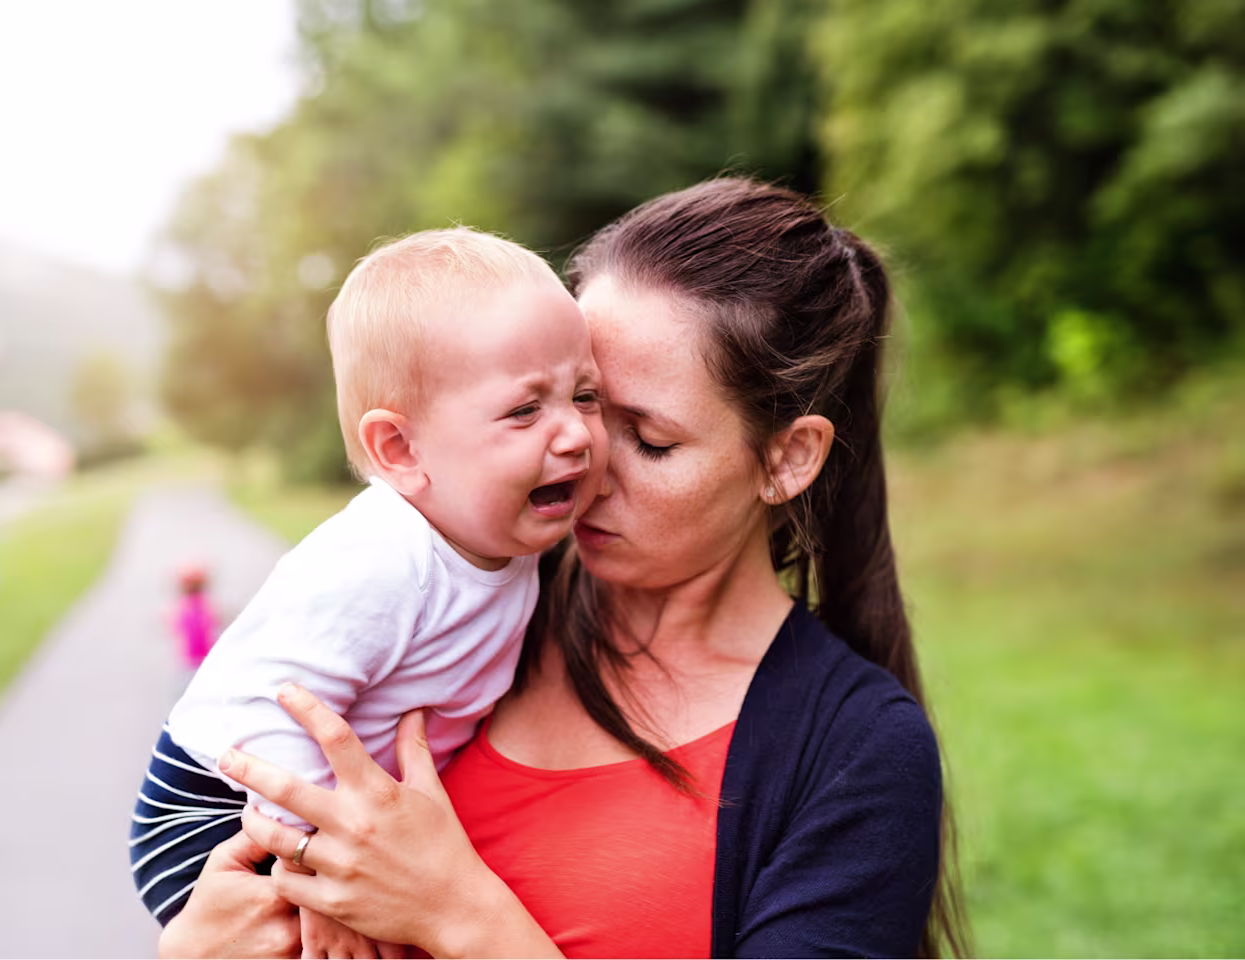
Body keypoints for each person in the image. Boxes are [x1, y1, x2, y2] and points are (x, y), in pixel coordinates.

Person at [148, 178, 969, 958]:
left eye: (650, 439)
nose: (584, 456)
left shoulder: (858, 753)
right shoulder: (474, 602)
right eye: (582, 402)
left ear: (788, 459)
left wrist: (459, 913)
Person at [130, 228, 607, 958]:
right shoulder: (383, 557)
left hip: (320, 803)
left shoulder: (512, 537)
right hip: (214, 804)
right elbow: (278, 710)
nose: (575, 433)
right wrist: (311, 864)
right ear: (401, 450)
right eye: (524, 411)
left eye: (585, 395)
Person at [172, 565, 218, 672]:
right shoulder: (202, 605)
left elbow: (177, 627)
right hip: (202, 656)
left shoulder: (185, 606)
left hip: (195, 657)